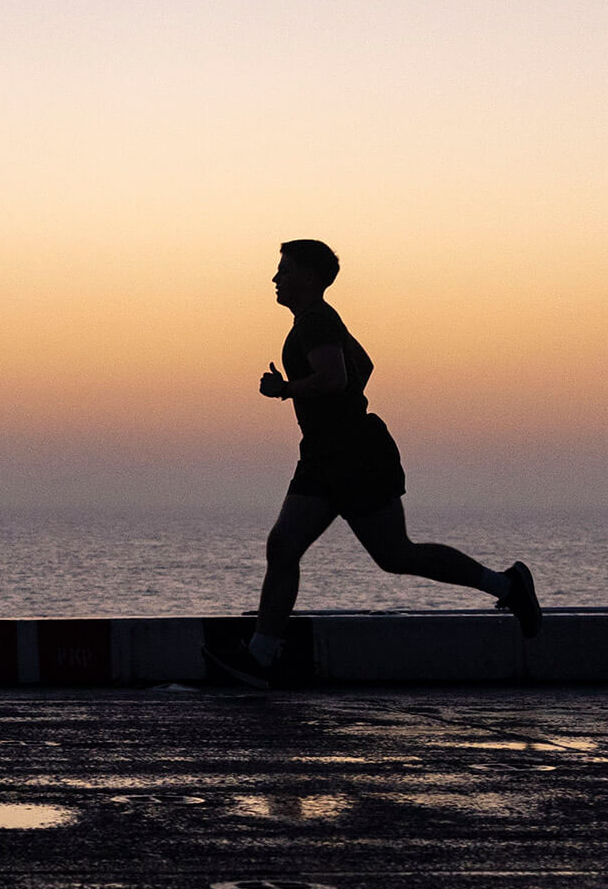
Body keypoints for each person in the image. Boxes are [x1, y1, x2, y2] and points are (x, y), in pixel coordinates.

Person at [202, 240, 538, 689]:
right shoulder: (320, 319)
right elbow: (364, 365)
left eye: (284, 270)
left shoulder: (316, 320)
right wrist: (303, 388)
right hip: (330, 453)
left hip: (350, 455)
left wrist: (286, 390)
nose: (275, 279)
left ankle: (508, 586)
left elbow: (336, 378)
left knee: (389, 553)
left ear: (309, 277)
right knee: (296, 548)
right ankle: (262, 656)